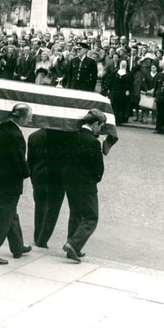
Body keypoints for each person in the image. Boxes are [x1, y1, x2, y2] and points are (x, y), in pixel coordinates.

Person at [0, 103, 32, 264]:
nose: (30, 119)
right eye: (29, 116)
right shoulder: (15, 134)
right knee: (3, 216)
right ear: (22, 118)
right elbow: (18, 160)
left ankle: (17, 247)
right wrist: (27, 173)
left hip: (2, 179)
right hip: (11, 181)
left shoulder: (3, 128)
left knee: (11, 213)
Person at [63, 109, 107, 263]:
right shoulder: (93, 142)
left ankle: (72, 242)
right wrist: (96, 179)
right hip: (86, 184)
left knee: (75, 214)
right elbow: (97, 167)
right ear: (95, 124)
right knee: (91, 216)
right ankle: (74, 244)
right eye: (100, 126)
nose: (100, 129)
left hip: (70, 182)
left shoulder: (72, 135)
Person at [27, 128, 68, 248]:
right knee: (53, 210)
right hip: (56, 178)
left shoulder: (34, 136)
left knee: (39, 207)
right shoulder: (64, 137)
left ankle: (37, 235)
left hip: (38, 175)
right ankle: (42, 239)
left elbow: (30, 160)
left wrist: (33, 176)